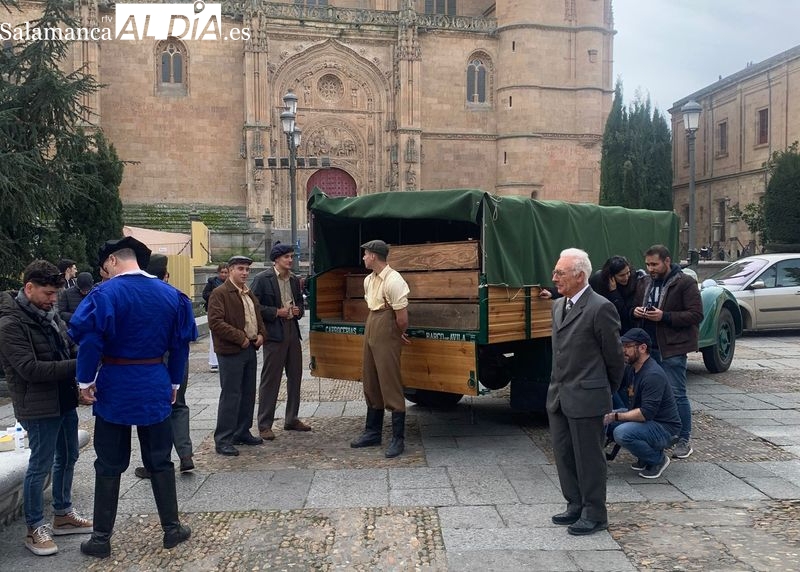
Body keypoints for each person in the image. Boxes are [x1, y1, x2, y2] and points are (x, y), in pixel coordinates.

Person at [69, 237, 197, 558]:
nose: (104, 274)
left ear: (113, 261)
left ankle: (100, 539)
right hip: (155, 382)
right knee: (160, 460)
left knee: (109, 463)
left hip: (115, 385)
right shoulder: (173, 296)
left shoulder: (105, 294)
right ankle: (171, 529)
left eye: (104, 268)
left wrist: (85, 381)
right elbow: (180, 346)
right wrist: (173, 385)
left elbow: (91, 342)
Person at [0, 261, 92, 556]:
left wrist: (84, 361)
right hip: (37, 407)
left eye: (56, 293)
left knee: (69, 455)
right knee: (40, 464)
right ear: (29, 288)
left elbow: (68, 346)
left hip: (63, 399)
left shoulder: (49, 314)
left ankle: (63, 514)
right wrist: (82, 365)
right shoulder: (10, 324)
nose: (54, 299)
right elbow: (30, 369)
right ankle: (34, 527)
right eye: (49, 293)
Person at [547, 248, 625, 536]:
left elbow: (615, 358)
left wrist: (603, 389)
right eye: (555, 271)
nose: (554, 277)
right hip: (559, 396)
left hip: (587, 396)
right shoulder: (558, 305)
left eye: (560, 273)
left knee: (589, 458)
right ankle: (575, 504)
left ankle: (595, 512)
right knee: (564, 454)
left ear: (580, 276)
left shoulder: (600, 307)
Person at [633, 244, 703, 460]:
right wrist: (635, 311)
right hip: (648, 348)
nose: (651, 268)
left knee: (676, 394)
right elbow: (633, 306)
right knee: (650, 396)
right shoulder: (644, 282)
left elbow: (696, 315)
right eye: (647, 264)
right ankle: (657, 438)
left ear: (666, 261)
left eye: (654, 264)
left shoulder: (685, 283)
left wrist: (665, 316)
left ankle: (683, 439)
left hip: (672, 348)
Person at [134, 254, 195, 479]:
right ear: (166, 274)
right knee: (178, 404)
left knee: (155, 411)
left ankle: (155, 462)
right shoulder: (177, 297)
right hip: (178, 357)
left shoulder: (139, 297)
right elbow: (188, 334)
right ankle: (185, 454)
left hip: (152, 362)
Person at [350, 240, 411, 459]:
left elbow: (402, 318)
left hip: (387, 324)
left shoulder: (394, 280)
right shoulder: (369, 280)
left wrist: (397, 333)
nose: (364, 257)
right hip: (372, 322)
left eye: (366, 254)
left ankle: (398, 438)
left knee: (389, 379)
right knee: (371, 377)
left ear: (374, 256)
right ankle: (372, 431)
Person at [207, 255, 267, 456]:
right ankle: (223, 438)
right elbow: (216, 322)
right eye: (241, 269)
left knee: (248, 393)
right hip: (231, 351)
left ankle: (242, 431)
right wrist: (240, 337)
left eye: (247, 270)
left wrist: (261, 334)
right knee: (231, 395)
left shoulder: (248, 293)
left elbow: (257, 317)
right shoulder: (220, 293)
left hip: (249, 348)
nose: (245, 273)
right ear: (231, 270)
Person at [251, 242, 310, 441]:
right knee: (271, 379)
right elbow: (254, 306)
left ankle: (291, 418)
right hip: (274, 333)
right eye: (287, 257)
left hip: (292, 331)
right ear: (276, 259)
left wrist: (298, 311)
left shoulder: (294, 280)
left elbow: (301, 303)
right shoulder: (262, 279)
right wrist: (276, 312)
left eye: (291, 257)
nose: (290, 260)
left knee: (295, 376)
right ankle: (264, 424)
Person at [604, 328, 681, 479]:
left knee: (622, 432)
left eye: (627, 346)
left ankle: (657, 460)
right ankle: (643, 456)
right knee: (603, 418)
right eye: (622, 346)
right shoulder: (633, 370)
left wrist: (616, 416)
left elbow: (645, 413)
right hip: (649, 420)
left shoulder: (653, 375)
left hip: (665, 428)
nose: (623, 350)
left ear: (643, 348)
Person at [588, 255, 639, 333]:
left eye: (628, 273)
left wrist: (614, 293)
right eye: (621, 275)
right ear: (611, 276)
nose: (626, 277)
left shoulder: (632, 280)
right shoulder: (598, 281)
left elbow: (625, 314)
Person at [202, 263, 229, 372]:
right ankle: (214, 362)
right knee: (214, 337)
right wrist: (216, 294)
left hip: (228, 312)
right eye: (222, 272)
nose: (223, 274)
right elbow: (205, 294)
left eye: (226, 272)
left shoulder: (231, 283)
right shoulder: (212, 282)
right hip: (214, 311)